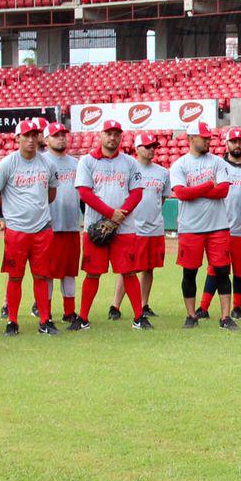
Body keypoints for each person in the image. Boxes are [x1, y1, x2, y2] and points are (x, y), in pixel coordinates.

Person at [75, 118, 151, 330]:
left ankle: (138, 317)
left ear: (121, 136)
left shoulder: (129, 162)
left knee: (128, 271)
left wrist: (120, 216)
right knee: (92, 272)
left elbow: (137, 192)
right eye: (108, 133)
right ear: (100, 135)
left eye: (116, 133)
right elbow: (84, 192)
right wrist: (110, 214)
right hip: (96, 226)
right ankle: (83, 318)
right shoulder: (87, 161)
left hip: (124, 228)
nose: (112, 137)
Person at [0, 119, 58, 336]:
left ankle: (45, 320)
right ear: (17, 138)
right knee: (15, 276)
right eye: (26, 135)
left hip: (42, 229)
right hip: (17, 230)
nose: (30, 139)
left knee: (42, 276)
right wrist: (12, 208)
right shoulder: (7, 164)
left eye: (34, 135)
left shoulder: (47, 164)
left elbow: (51, 193)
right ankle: (12, 321)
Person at [169, 119, 234, 329]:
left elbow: (223, 190)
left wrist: (195, 190)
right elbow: (181, 193)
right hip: (191, 227)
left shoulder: (217, 162)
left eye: (209, 138)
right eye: (204, 138)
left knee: (223, 270)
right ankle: (191, 315)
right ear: (191, 139)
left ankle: (225, 317)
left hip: (218, 226)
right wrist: (207, 185)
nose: (208, 141)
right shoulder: (180, 165)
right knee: (189, 272)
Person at [34, 120, 84, 327]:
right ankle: (46, 311)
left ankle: (69, 311)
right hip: (47, 225)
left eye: (63, 134)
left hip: (71, 224)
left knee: (69, 271)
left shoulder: (76, 163)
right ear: (46, 140)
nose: (61, 138)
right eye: (55, 135)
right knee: (47, 273)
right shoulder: (40, 161)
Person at [204, 127, 241, 324]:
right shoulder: (218, 166)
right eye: (233, 141)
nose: (237, 145)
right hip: (221, 227)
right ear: (226, 144)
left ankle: (237, 307)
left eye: (240, 141)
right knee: (216, 270)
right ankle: (204, 307)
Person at [127, 132, 171, 318]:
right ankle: (115, 306)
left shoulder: (162, 172)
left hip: (154, 227)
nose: (151, 149)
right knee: (128, 268)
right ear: (137, 149)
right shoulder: (129, 169)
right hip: (133, 227)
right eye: (147, 146)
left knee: (149, 268)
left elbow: (162, 199)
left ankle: (144, 305)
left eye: (154, 146)